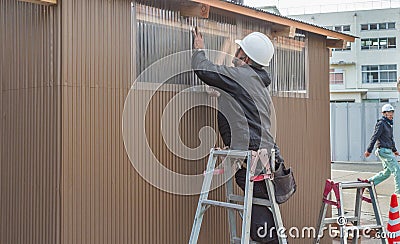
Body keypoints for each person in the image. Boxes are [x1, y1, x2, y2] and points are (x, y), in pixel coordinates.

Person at [192, 29, 279, 243]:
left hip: (253, 154)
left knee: (259, 216)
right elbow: (241, 105)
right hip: (264, 152)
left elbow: (205, 69)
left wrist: (198, 49)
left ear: (245, 57)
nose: (235, 53)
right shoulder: (256, 80)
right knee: (259, 204)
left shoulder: (243, 75)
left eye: (239, 50)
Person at [364, 104, 400, 194]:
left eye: (392, 112)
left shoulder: (388, 124)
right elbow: (375, 136)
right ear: (384, 113)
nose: (391, 114)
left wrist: (395, 150)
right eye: (389, 112)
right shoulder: (381, 123)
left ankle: (368, 183)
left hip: (388, 150)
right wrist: (369, 150)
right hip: (383, 151)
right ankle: (398, 192)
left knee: (387, 173)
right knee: (397, 170)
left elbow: (391, 139)